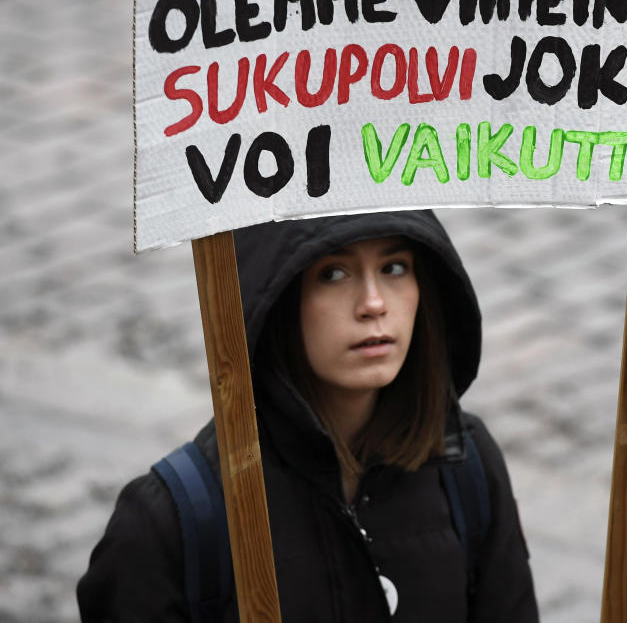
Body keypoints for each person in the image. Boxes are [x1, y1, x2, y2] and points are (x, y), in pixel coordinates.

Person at [77, 210, 539, 622]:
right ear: (277, 296)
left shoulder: (466, 467)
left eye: (394, 267)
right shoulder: (168, 523)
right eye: (333, 273)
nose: (374, 304)